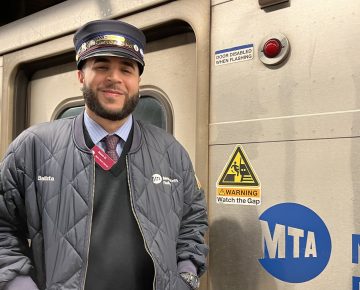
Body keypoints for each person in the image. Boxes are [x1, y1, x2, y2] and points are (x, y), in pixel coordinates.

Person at [0, 19, 208, 290]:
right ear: (81, 75)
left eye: (127, 69)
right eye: (101, 67)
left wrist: (187, 274)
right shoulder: (34, 146)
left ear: (138, 80)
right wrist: (18, 284)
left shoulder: (171, 152)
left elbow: (192, 221)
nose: (115, 78)